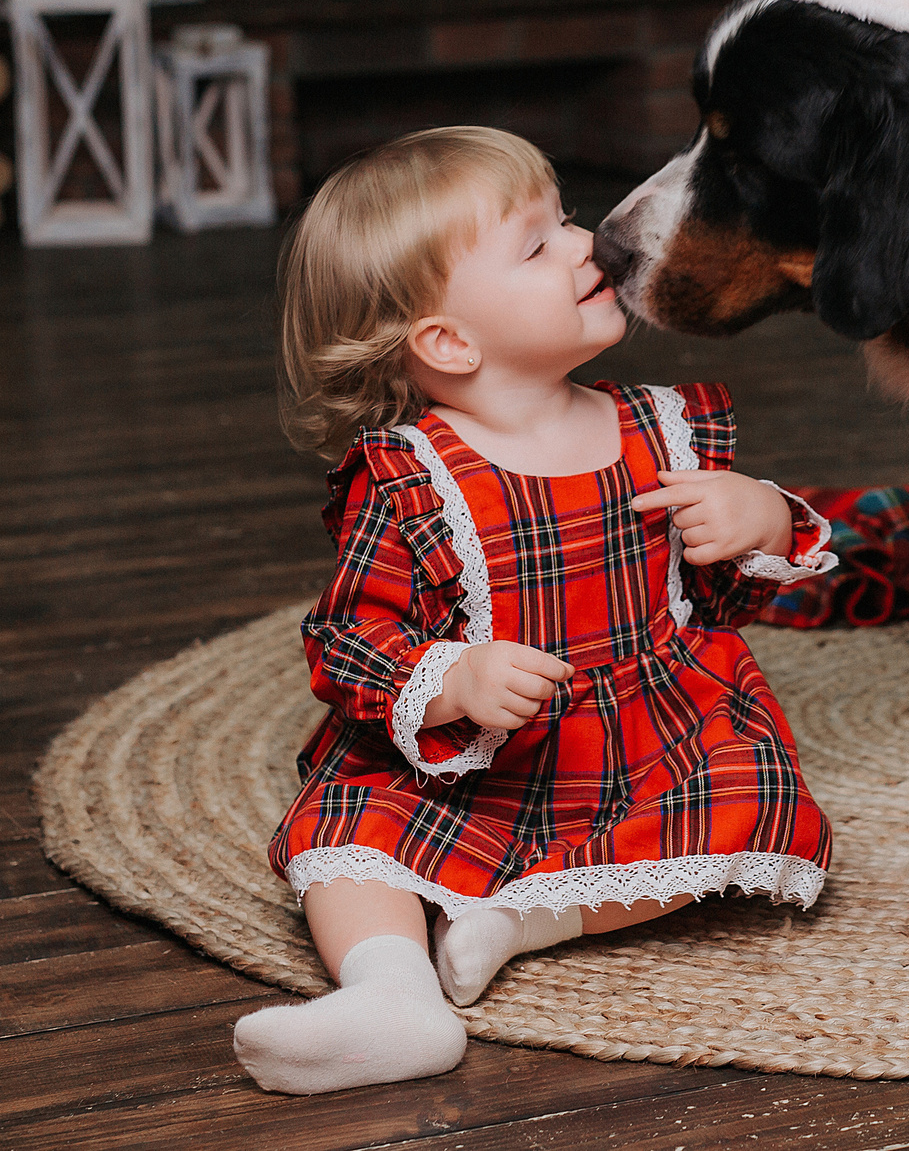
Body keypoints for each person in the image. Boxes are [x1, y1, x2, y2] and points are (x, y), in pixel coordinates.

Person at [231, 127, 836, 1094]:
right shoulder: (413, 480)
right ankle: (391, 994)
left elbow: (710, 599)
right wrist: (451, 679)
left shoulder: (660, 430)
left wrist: (759, 516)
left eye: (562, 218)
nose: (584, 241)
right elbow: (350, 637)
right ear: (449, 341)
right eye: (537, 244)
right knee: (348, 826)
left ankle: (523, 919)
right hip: (481, 754)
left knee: (748, 800)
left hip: (646, 736)